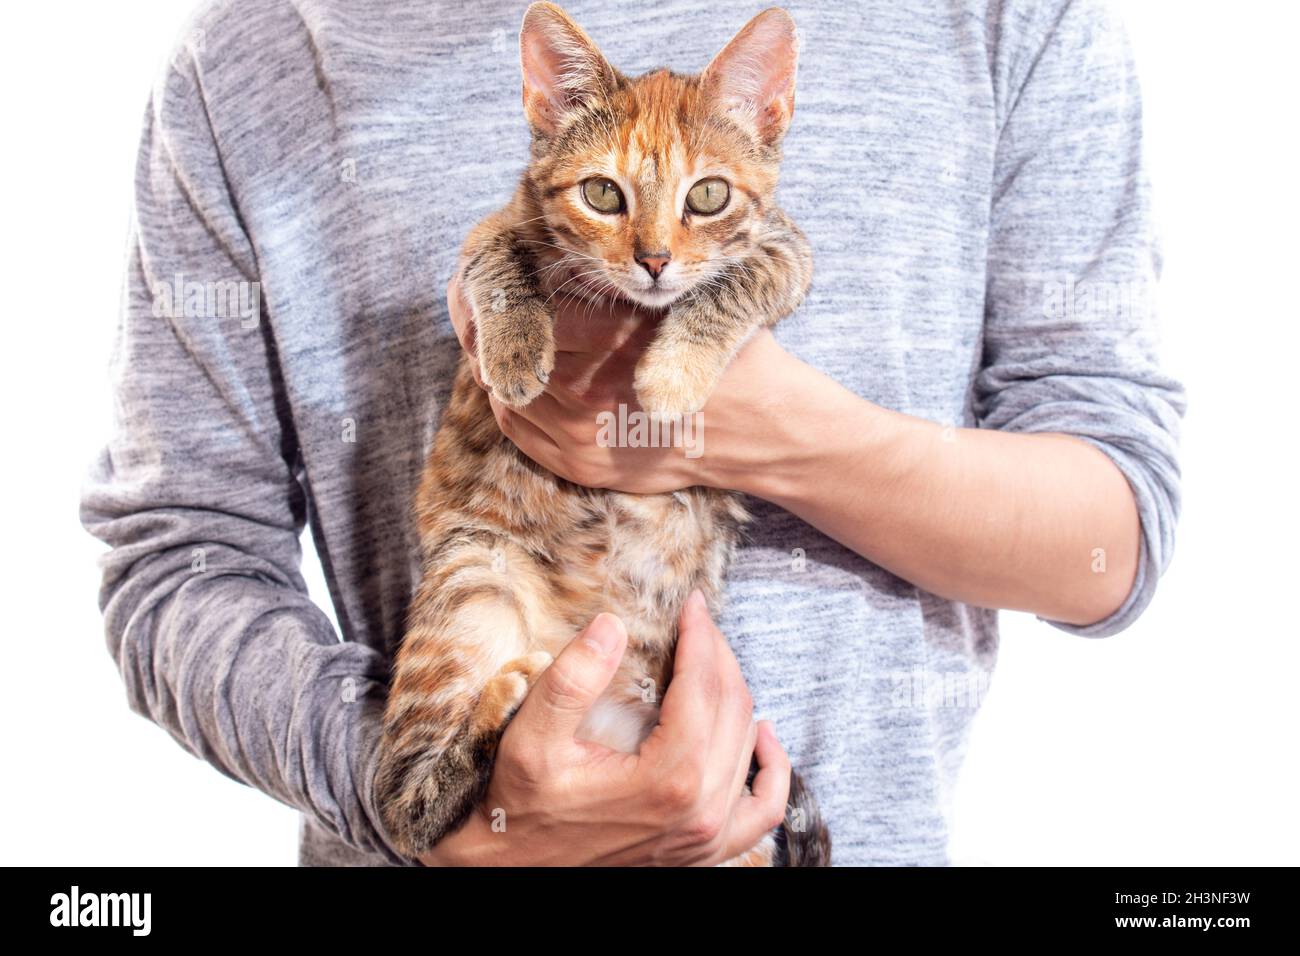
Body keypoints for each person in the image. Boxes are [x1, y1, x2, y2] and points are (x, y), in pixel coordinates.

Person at [81, 0, 1184, 866]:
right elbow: (178, 556)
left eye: (694, 207)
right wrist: (438, 814)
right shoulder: (254, 52)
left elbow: (1112, 539)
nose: (656, 244)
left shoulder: (1009, 15)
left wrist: (759, 434)